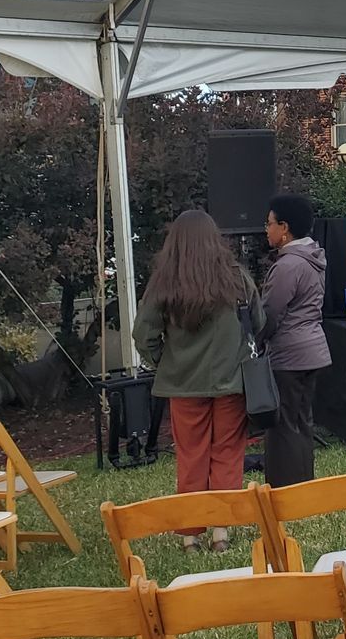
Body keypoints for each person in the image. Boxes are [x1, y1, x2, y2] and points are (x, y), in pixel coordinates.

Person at [135, 209, 261, 551]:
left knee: (191, 455)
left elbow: (143, 335)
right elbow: (259, 323)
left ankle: (191, 535)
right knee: (227, 453)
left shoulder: (164, 282)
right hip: (231, 383)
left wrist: (167, 362)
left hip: (182, 385)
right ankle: (221, 531)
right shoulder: (236, 277)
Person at [262, 193, 331, 487]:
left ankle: (286, 489)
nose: (266, 229)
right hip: (313, 350)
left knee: (283, 425)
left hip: (288, 354)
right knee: (302, 421)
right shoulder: (314, 259)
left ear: (285, 228)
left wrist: (258, 337)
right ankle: (305, 484)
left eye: (270, 223)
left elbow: (270, 313)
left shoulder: (289, 265)